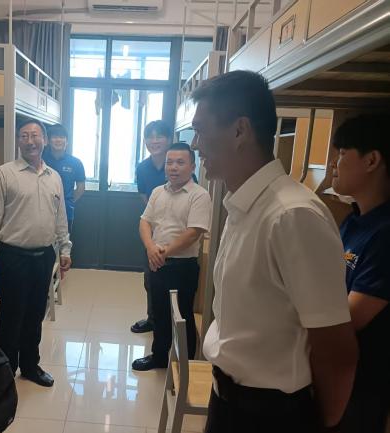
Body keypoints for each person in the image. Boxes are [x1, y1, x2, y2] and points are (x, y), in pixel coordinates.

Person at [193, 71, 358, 433]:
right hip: (227, 401)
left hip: (271, 414)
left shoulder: (292, 215)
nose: (195, 144)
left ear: (240, 131)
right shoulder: (244, 206)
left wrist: (315, 423)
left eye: (201, 131)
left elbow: (336, 348)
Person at [0, 118, 72, 387]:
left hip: (44, 257)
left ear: (45, 140)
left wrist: (65, 248)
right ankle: (4, 371)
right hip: (13, 257)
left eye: (35, 135)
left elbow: (60, 218)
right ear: (18, 141)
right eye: (24, 136)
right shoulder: (2, 174)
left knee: (35, 315)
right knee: (10, 318)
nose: (30, 141)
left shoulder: (54, 177)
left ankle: (30, 365)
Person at [330, 115, 390, 433]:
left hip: (362, 385)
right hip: (338, 375)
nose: (333, 163)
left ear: (371, 160)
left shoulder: (384, 234)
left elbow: (348, 319)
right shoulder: (353, 222)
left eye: (342, 153)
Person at [132, 142, 212, 371]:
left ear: (193, 166)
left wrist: (162, 252)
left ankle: (186, 366)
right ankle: (159, 357)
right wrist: (151, 248)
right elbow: (144, 222)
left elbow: (193, 232)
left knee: (182, 316)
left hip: (182, 266)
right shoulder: (158, 191)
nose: (173, 167)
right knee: (159, 313)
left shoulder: (199, 195)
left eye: (180, 162)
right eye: (169, 162)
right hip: (157, 261)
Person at [131, 120, 173, 334]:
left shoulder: (176, 163)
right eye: (150, 137)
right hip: (152, 230)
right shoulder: (142, 168)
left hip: (176, 230)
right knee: (150, 277)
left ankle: (171, 323)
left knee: (172, 280)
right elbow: (144, 196)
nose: (154, 141)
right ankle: (153, 318)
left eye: (159, 136)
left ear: (169, 139)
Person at [42, 123, 85, 234]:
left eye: (62, 137)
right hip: (42, 210)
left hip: (66, 211)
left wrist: (67, 201)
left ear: (67, 141)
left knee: (63, 241)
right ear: (48, 141)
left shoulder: (76, 163)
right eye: (55, 137)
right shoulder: (40, 159)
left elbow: (80, 188)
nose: (58, 140)